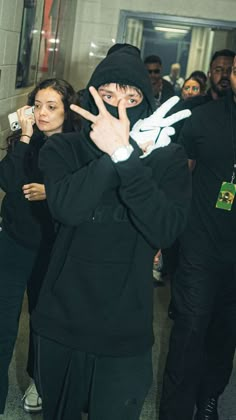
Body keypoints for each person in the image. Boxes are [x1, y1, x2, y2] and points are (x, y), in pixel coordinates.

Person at [31, 44, 192, 420]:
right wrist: (117, 153)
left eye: (131, 97)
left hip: (125, 330)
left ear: (145, 103)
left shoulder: (166, 157)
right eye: (107, 96)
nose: (118, 108)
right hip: (61, 321)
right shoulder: (62, 150)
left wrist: (128, 158)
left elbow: (165, 229)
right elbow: (67, 209)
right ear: (90, 99)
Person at [159, 56, 236, 420]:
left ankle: (209, 399)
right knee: (189, 333)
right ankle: (174, 412)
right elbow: (178, 180)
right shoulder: (202, 120)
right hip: (200, 248)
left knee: (225, 336)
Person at [0, 78, 80, 415]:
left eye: (52, 107)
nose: (42, 113)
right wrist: (25, 135)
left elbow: (82, 199)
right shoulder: (25, 140)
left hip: (53, 247)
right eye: (37, 105)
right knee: (3, 323)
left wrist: (53, 193)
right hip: (14, 243)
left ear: (67, 111)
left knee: (43, 321)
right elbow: (6, 180)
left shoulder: (78, 147)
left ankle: (39, 380)